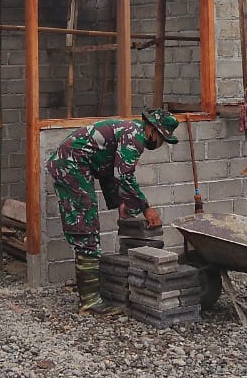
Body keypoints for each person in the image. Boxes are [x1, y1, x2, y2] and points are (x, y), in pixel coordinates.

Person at [44, 108, 180, 315]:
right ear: (153, 130)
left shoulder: (128, 132)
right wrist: (146, 208)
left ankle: (87, 292)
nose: (160, 144)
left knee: (87, 226)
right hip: (71, 166)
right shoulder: (135, 137)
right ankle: (89, 301)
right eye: (162, 139)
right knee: (86, 227)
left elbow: (107, 168)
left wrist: (120, 202)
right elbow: (123, 175)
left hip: (77, 164)